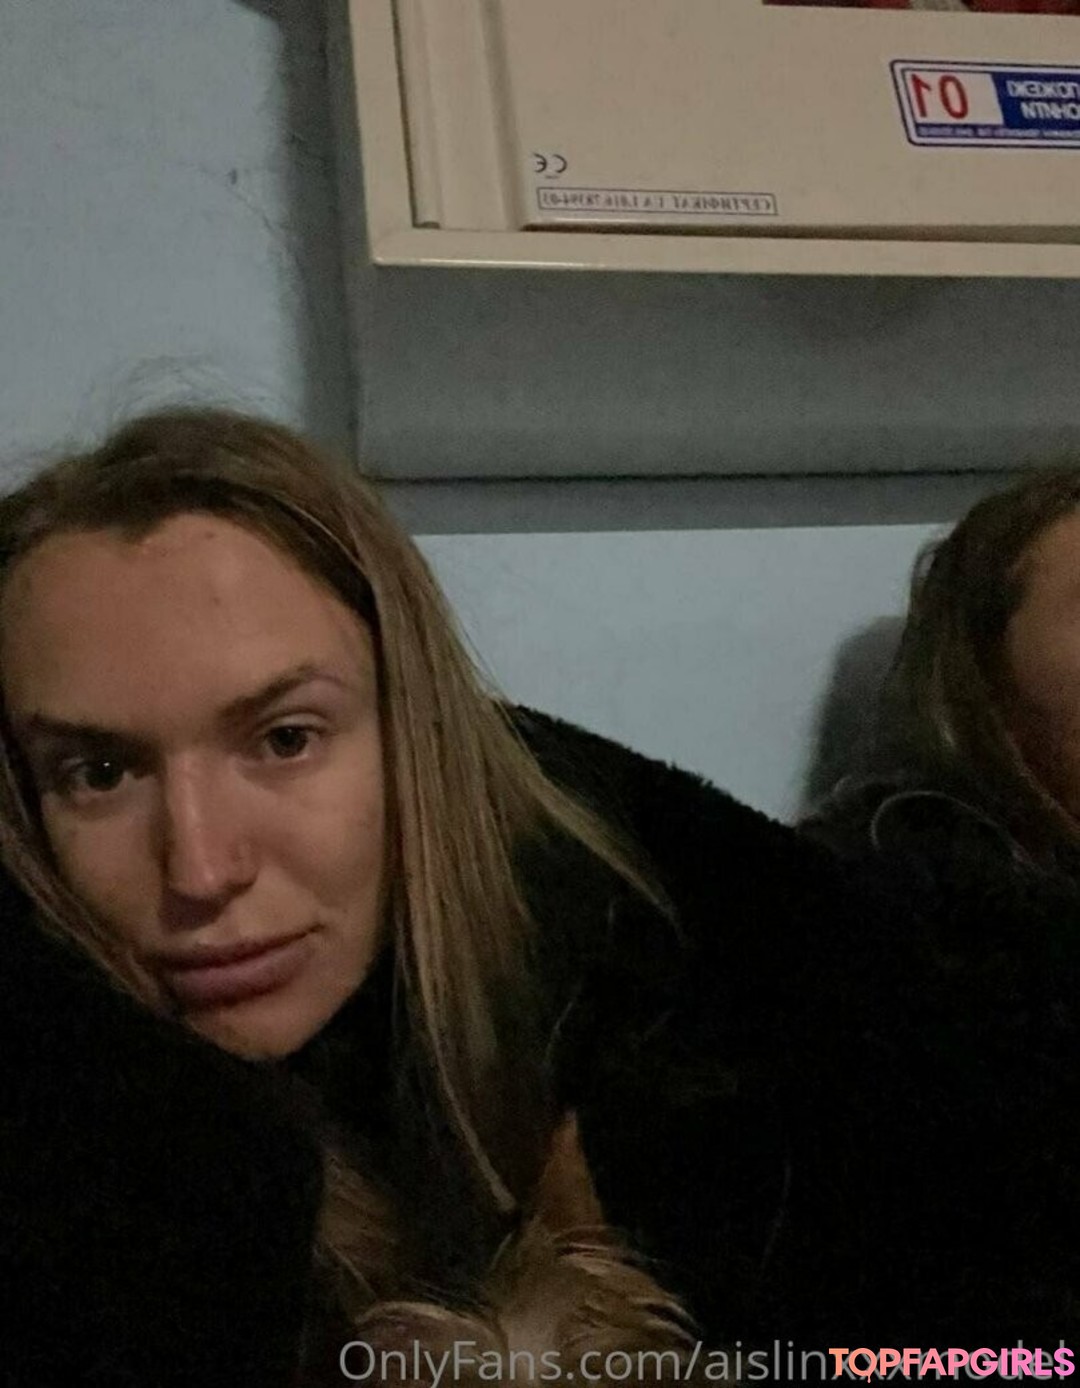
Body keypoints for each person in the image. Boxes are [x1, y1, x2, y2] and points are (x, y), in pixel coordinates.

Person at [0, 411, 1074, 1388]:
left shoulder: (693, 988)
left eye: (285, 739)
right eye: (99, 772)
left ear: (416, 732)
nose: (199, 868)